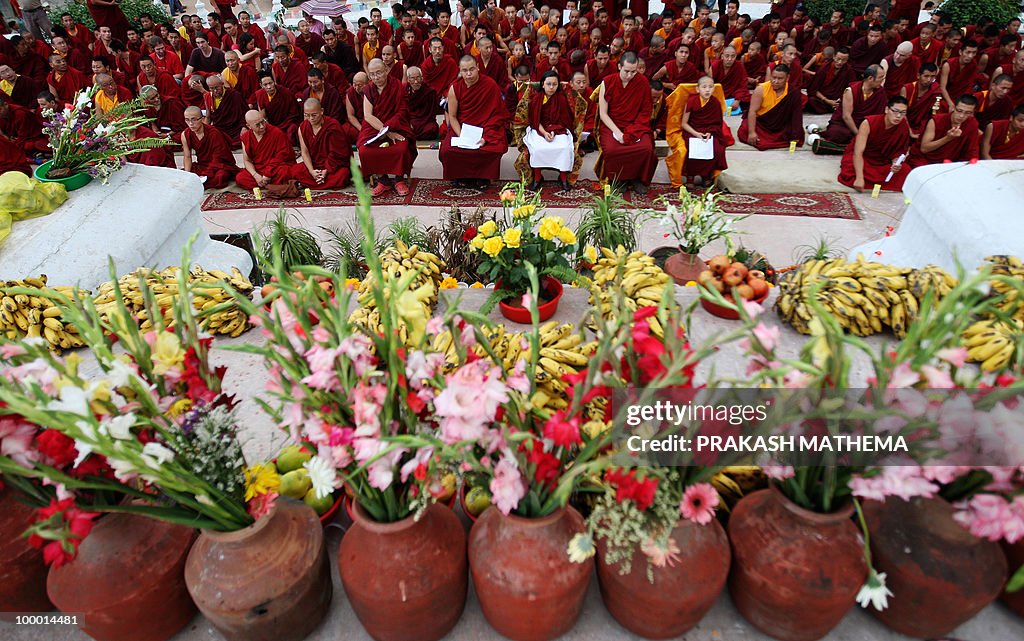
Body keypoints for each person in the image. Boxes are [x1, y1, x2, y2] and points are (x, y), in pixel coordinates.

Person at [440, 55, 508, 187]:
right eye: (465, 70)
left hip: (486, 128)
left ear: (478, 67)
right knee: (447, 151)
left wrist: (486, 137)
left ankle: (483, 177)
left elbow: (497, 116)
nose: (469, 74)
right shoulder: (455, 88)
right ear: (460, 71)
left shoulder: (490, 85)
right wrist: (462, 136)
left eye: (472, 69)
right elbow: (452, 116)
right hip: (462, 127)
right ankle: (460, 176)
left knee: (493, 148)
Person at [596, 52, 656, 193]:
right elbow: (603, 114)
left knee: (646, 149)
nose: (630, 75)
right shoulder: (608, 82)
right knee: (612, 150)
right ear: (619, 67)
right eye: (626, 71)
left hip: (636, 125)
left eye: (633, 72)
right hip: (612, 125)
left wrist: (631, 131)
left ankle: (637, 179)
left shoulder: (642, 82)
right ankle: (619, 179)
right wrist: (618, 132)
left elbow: (645, 112)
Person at [359, 58, 417, 196]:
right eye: (372, 74)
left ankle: (398, 179)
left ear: (386, 69)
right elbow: (368, 115)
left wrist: (390, 128)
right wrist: (385, 132)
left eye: (378, 73)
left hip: (396, 126)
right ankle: (383, 180)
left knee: (402, 147)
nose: (376, 77)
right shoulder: (368, 89)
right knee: (364, 150)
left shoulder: (397, 86)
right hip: (375, 128)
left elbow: (402, 111)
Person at [517, 71, 576, 190]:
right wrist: (544, 133)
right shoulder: (537, 98)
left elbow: (565, 120)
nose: (551, 87)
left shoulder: (561, 99)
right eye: (548, 84)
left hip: (558, 130)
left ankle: (563, 177)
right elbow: (534, 120)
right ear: (542, 84)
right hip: (539, 129)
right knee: (538, 148)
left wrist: (553, 131)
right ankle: (538, 177)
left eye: (554, 84)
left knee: (564, 147)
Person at [838, 96, 911, 192]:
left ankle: (872, 180)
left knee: (906, 171)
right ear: (886, 109)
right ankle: (864, 178)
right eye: (895, 111)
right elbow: (858, 153)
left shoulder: (903, 126)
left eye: (903, 113)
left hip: (882, 161)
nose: (898, 116)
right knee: (850, 173)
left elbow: (898, 151)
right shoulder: (868, 123)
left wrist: (895, 163)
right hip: (863, 159)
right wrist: (859, 178)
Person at [811, 65, 888, 154]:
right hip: (846, 125)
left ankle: (848, 146)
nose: (883, 80)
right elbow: (846, 117)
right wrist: (859, 134)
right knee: (837, 134)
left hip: (867, 125)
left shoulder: (880, 92)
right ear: (870, 78)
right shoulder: (851, 91)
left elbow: (880, 115)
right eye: (880, 77)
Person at [677, 75, 729, 185]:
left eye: (710, 87)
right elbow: (684, 123)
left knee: (716, 148)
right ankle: (690, 176)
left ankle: (706, 175)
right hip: (692, 131)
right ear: (698, 89)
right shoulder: (691, 101)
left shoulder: (715, 103)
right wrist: (696, 134)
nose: (707, 90)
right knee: (689, 148)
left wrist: (710, 132)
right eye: (704, 87)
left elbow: (717, 124)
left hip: (709, 132)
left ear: (714, 89)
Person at [738, 64, 803, 150]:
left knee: (796, 133)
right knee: (744, 130)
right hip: (761, 124)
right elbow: (752, 111)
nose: (775, 81)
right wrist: (752, 132)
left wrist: (795, 136)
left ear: (787, 78)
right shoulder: (761, 89)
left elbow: (796, 115)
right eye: (774, 77)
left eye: (780, 79)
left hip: (781, 126)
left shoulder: (793, 93)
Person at [907, 93, 980, 169]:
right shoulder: (936, 121)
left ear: (972, 113)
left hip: (951, 162)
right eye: (959, 111)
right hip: (926, 159)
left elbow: (972, 151)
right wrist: (947, 138)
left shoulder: (972, 124)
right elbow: (924, 149)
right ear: (953, 108)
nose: (961, 116)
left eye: (967, 113)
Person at [291, 98, 351, 190]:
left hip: (332, 167)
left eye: (314, 115)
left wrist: (325, 171)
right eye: (307, 115)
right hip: (315, 165)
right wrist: (312, 171)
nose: (311, 118)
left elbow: (338, 154)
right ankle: (319, 182)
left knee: (343, 174)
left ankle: (311, 183)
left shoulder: (333, 126)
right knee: (295, 171)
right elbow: (305, 152)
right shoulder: (302, 127)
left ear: (321, 111)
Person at [236, 110, 295, 190]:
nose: (262, 126)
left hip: (275, 169)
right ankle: (272, 186)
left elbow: (282, 156)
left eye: (263, 122)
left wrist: (268, 174)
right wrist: (255, 175)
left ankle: (265, 185)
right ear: (249, 126)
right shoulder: (246, 137)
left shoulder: (277, 133)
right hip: (259, 170)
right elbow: (247, 161)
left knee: (285, 172)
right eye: (257, 125)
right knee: (240, 178)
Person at [181, 106, 237, 188]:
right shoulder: (185, 134)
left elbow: (218, 158)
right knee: (182, 174)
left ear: (202, 119)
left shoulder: (214, 133)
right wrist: (187, 175)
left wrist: (206, 174)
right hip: (202, 165)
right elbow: (187, 157)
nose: (190, 123)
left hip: (218, 165)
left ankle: (200, 183)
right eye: (187, 120)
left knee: (220, 176)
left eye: (194, 119)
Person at [249, 72, 301, 143]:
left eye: (270, 83)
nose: (269, 87)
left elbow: (294, 113)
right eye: (265, 85)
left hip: (287, 123)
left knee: (291, 131)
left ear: (274, 82)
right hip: (272, 124)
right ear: (261, 85)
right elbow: (263, 116)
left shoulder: (285, 92)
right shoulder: (260, 94)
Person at [202, 74, 248, 147]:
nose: (215, 91)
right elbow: (208, 117)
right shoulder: (207, 97)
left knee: (243, 138)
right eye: (212, 88)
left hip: (235, 128)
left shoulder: (234, 95)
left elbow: (244, 113)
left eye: (217, 87)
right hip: (219, 129)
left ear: (222, 84)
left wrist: (244, 127)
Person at [805, 47, 855, 114]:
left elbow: (851, 88)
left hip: (838, 100)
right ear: (834, 57)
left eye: (844, 60)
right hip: (823, 99)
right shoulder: (824, 69)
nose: (840, 62)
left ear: (847, 60)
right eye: (838, 59)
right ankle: (834, 108)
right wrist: (827, 100)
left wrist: (841, 100)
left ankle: (836, 107)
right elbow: (814, 89)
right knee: (812, 101)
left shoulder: (849, 70)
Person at [900, 63, 943, 138]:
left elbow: (934, 114)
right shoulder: (907, 89)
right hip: (904, 123)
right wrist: (910, 132)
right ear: (918, 76)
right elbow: (901, 112)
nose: (929, 80)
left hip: (922, 126)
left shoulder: (936, 91)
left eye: (933, 76)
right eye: (926, 76)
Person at [939, 40, 979, 110]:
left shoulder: (973, 64)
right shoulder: (948, 65)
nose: (970, 56)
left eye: (974, 53)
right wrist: (950, 104)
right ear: (960, 52)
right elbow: (942, 88)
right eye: (968, 52)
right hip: (946, 96)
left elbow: (969, 85)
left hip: (962, 97)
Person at [405, 66, 440, 139]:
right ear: (408, 79)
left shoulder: (430, 92)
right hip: (410, 121)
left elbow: (431, 114)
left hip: (425, 122)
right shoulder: (404, 90)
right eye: (413, 78)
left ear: (422, 78)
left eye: (418, 77)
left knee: (432, 129)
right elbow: (403, 110)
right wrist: (408, 122)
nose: (416, 81)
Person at [343, 72, 368, 142]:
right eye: (354, 84)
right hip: (358, 123)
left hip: (370, 122)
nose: (356, 88)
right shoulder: (350, 92)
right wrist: (361, 129)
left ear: (367, 83)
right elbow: (350, 115)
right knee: (345, 131)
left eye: (360, 85)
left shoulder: (372, 91)